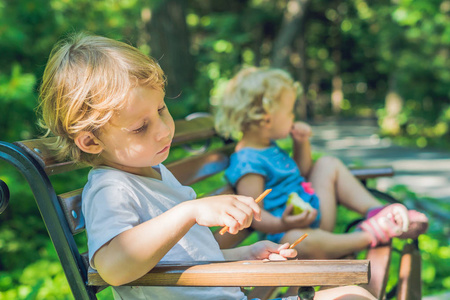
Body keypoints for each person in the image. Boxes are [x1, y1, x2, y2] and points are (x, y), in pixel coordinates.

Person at [37, 32, 380, 300]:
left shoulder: (156, 174)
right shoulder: (111, 189)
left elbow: (187, 266)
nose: (163, 130)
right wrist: (188, 212)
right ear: (91, 142)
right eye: (140, 127)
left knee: (353, 294)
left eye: (160, 110)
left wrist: (248, 253)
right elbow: (112, 268)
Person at [214, 67, 429, 259]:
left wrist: (301, 143)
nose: (293, 116)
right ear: (267, 118)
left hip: (313, 211)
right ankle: (371, 234)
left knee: (327, 163)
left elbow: (303, 171)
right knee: (298, 241)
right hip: (292, 230)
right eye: (289, 112)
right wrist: (284, 224)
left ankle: (377, 211)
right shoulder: (247, 162)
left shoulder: (267, 146)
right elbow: (255, 215)